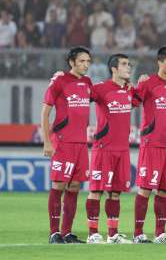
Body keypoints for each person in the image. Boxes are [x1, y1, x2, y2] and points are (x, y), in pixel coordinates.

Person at [132, 46, 166, 244]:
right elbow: (131, 102)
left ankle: (160, 232)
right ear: (160, 63)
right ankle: (138, 233)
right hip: (151, 143)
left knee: (164, 190)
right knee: (145, 188)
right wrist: (136, 84)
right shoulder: (148, 84)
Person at [42, 47, 93, 244]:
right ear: (71, 62)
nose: (86, 65)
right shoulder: (60, 81)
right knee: (59, 185)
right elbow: (45, 112)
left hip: (81, 143)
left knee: (74, 186)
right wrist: (47, 141)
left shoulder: (87, 83)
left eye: (88, 61)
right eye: (81, 61)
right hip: (62, 142)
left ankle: (66, 233)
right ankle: (54, 233)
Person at [85, 54, 135, 244]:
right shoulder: (100, 88)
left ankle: (113, 234)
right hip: (103, 149)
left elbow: (143, 98)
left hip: (122, 150)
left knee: (115, 192)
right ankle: (92, 233)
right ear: (114, 68)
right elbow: (78, 95)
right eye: (124, 64)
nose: (128, 67)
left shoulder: (130, 91)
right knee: (96, 190)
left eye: (128, 64)